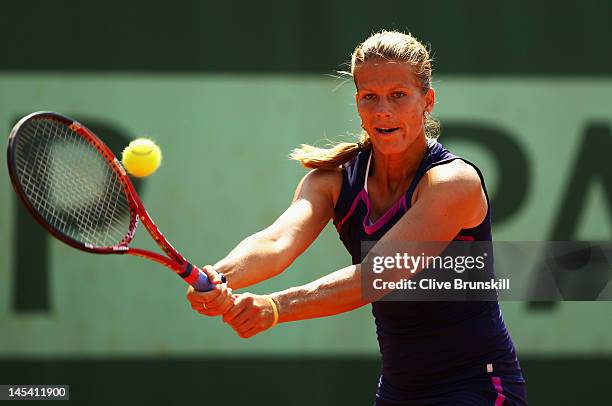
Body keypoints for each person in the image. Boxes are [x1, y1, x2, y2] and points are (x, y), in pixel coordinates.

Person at [186, 30, 528, 405]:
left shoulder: (453, 182)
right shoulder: (332, 181)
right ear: (358, 103)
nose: (383, 110)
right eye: (370, 97)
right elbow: (277, 241)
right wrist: (219, 278)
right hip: (398, 392)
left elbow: (377, 273)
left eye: (399, 95)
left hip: (478, 386)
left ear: (427, 101)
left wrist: (276, 308)